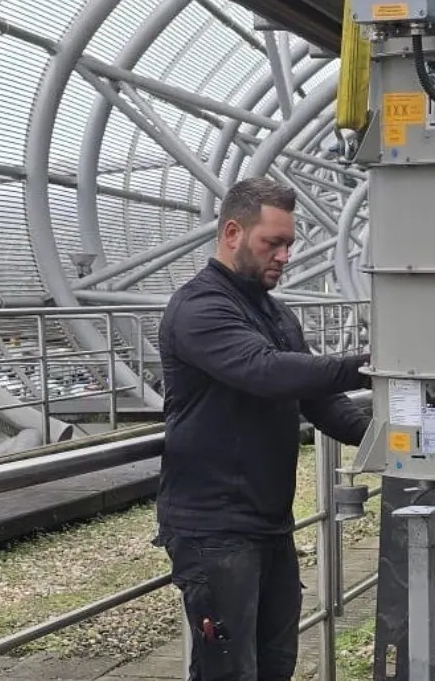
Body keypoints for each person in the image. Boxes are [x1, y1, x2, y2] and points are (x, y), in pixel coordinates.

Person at [155, 176, 370, 681]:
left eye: (289, 243)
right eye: (272, 242)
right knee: (228, 670)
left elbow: (320, 402)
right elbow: (265, 372)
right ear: (232, 232)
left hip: (268, 523)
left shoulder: (274, 312)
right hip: (214, 529)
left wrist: (400, 439)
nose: (284, 255)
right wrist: (372, 363)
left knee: (275, 664)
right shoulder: (200, 308)